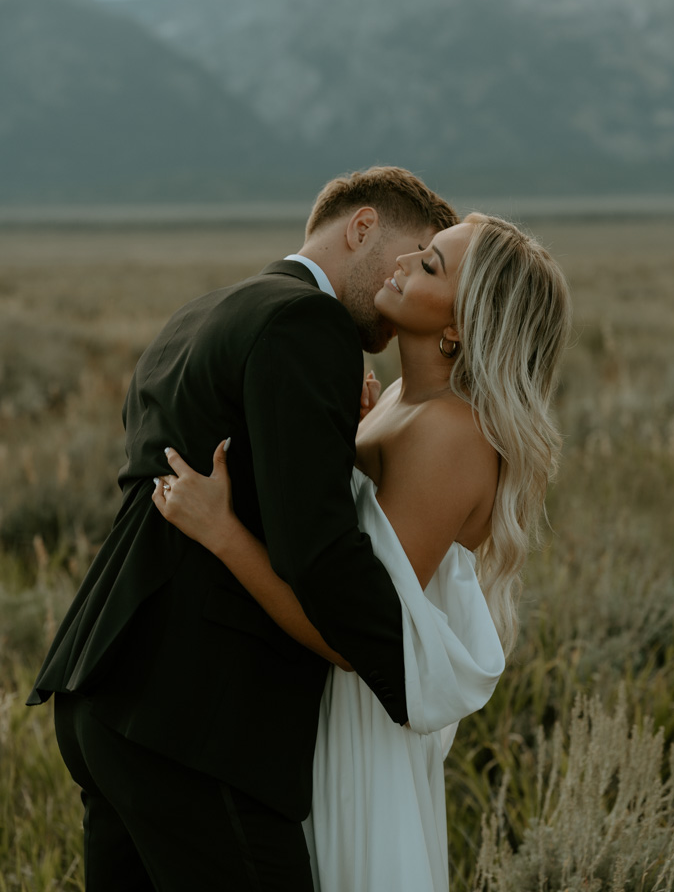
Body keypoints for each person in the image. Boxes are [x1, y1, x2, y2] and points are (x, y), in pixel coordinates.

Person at [26, 166, 457, 891]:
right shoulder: (308, 322)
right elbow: (313, 548)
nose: (405, 279)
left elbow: (249, 477)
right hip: (198, 717)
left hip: (103, 692)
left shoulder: (203, 312)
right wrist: (416, 668)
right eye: (410, 253)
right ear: (360, 227)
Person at [152, 213, 573, 892]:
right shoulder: (403, 399)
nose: (401, 264)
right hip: (314, 705)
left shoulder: (453, 434)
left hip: (359, 727)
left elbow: (348, 636)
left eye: (430, 265)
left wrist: (221, 532)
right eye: (418, 251)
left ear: (460, 328)